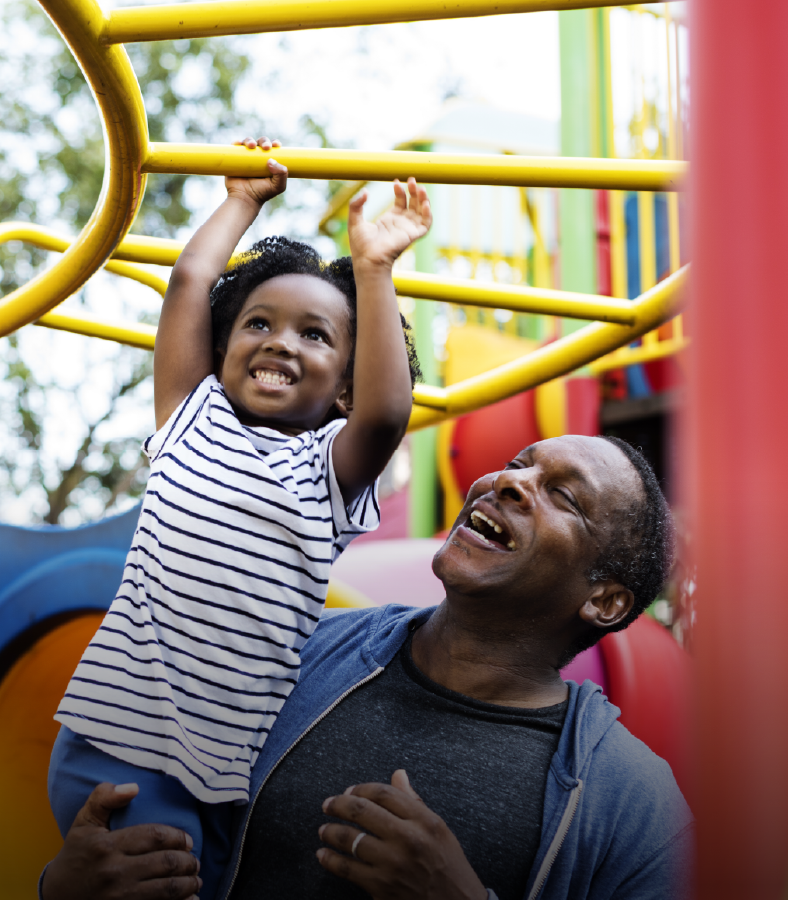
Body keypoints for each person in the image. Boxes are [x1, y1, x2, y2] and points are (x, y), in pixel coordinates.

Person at [42, 433, 693, 900]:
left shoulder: (633, 804)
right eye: (517, 464)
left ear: (603, 601)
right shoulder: (286, 652)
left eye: (563, 496)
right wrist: (63, 885)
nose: (508, 482)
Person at [49, 136, 431, 898]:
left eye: (314, 335)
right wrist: (240, 201)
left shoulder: (328, 470)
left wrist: (375, 269)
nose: (280, 342)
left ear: (345, 387)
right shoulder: (192, 419)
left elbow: (389, 412)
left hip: (221, 773)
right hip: (125, 748)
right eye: (258, 323)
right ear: (222, 346)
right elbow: (191, 278)